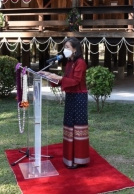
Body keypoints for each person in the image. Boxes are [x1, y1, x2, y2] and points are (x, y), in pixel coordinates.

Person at [41, 37, 89, 169]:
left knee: (77, 127)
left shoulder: (80, 62)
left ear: (75, 49)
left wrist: (59, 78)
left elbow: (75, 81)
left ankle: (79, 159)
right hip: (70, 96)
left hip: (79, 97)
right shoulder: (69, 62)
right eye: (64, 47)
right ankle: (69, 158)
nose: (65, 50)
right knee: (69, 125)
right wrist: (49, 76)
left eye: (67, 47)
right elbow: (65, 80)